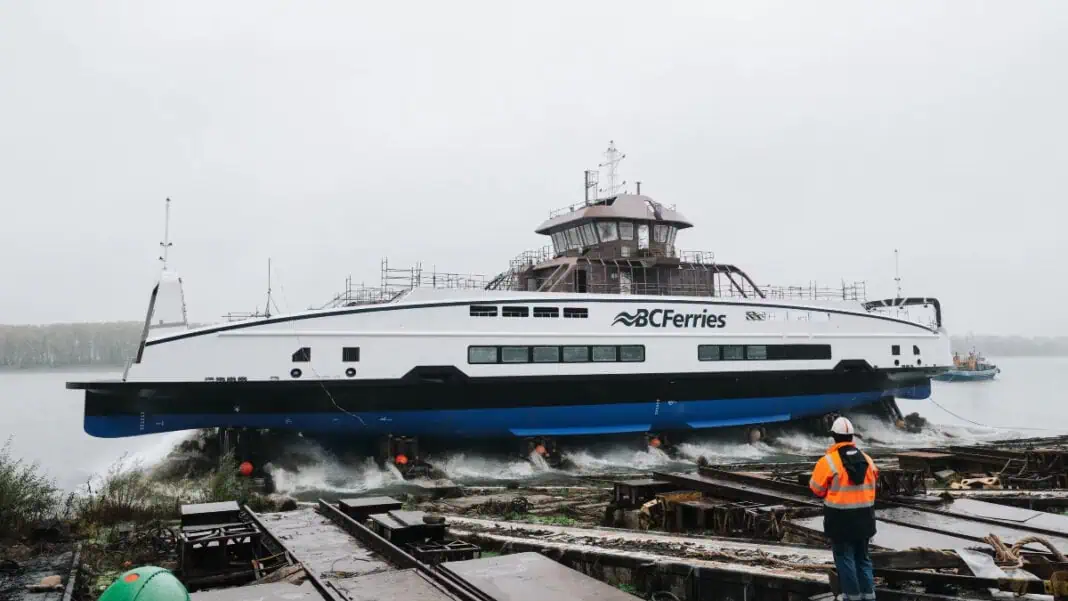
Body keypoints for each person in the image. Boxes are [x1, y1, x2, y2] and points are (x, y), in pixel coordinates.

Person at [808, 416, 878, 601]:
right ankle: (869, 596)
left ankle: (851, 596)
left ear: (834, 436)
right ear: (852, 436)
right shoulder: (868, 460)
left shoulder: (828, 462)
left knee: (844, 558)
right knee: (863, 557)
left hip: (840, 519)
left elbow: (816, 489)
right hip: (865, 518)